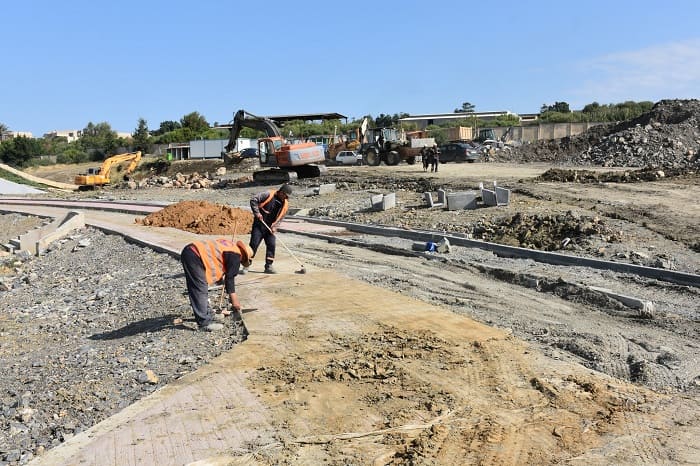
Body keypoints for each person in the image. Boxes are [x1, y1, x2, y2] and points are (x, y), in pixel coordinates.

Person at [180, 238, 253, 332]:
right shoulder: (236, 256)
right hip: (195, 255)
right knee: (199, 289)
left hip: (191, 250)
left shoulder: (230, 246)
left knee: (200, 287)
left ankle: (207, 314)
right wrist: (235, 302)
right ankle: (204, 322)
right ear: (244, 257)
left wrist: (221, 280)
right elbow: (230, 279)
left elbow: (216, 258)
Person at [245, 183, 293, 274]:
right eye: (285, 196)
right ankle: (247, 264)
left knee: (271, 245)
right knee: (254, 244)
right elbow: (253, 200)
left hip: (270, 227)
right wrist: (257, 213)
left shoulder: (285, 204)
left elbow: (281, 217)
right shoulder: (268, 194)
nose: (286, 198)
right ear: (281, 192)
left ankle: (269, 266)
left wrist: (275, 227)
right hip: (259, 225)